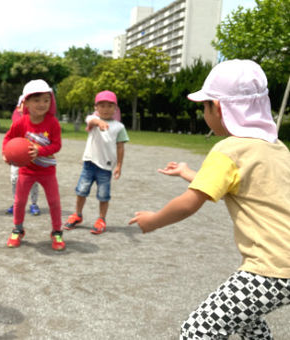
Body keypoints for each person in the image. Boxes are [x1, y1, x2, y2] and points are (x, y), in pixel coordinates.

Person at [129, 59, 290, 339]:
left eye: (204, 106)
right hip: (282, 269)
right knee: (245, 321)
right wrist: (188, 172)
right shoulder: (275, 148)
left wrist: (152, 221)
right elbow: (232, 185)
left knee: (198, 329)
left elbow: (189, 203)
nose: (205, 112)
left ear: (218, 107)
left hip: (272, 269)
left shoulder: (228, 150)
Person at [2, 79, 65, 251]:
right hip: (27, 170)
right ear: (26, 102)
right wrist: (6, 153)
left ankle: (57, 232)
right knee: (20, 201)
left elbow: (57, 145)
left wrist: (40, 151)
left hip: (47, 171)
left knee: (54, 202)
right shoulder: (21, 122)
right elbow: (8, 139)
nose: (42, 104)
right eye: (36, 100)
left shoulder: (53, 123)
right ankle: (17, 229)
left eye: (46, 100)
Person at [64, 91, 128, 234]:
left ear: (116, 108)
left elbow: (120, 147)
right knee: (81, 191)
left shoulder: (119, 127)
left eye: (110, 106)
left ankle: (101, 219)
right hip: (89, 164)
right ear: (96, 107)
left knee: (104, 195)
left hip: (105, 168)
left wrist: (119, 165)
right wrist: (99, 122)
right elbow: (90, 121)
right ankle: (77, 215)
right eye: (102, 106)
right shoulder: (92, 119)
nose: (106, 109)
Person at [6, 94, 41, 216]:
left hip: (31, 158)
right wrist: (7, 154)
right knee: (15, 179)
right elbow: (9, 140)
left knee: (33, 181)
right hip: (17, 158)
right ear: (19, 107)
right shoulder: (15, 124)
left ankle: (33, 203)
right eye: (23, 104)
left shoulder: (36, 123)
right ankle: (17, 202)